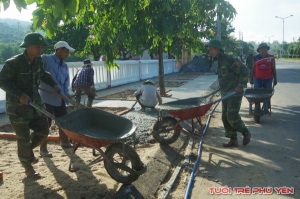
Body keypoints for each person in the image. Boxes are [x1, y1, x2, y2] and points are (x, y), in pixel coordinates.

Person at [0, 33, 61, 177]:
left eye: (41, 46)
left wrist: (54, 84)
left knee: (43, 131)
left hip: (35, 104)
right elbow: (2, 81)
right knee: (23, 137)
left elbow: (44, 74)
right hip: (18, 108)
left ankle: (26, 151)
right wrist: (19, 94)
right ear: (27, 46)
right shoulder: (13, 63)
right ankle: (28, 168)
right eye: (37, 46)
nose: (40, 49)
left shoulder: (38, 61)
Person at [206, 39, 251, 147]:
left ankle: (245, 132)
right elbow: (224, 77)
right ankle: (233, 140)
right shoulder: (219, 61)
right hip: (225, 93)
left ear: (218, 49)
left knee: (231, 116)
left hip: (234, 93)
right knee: (225, 118)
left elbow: (245, 71)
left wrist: (240, 86)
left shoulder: (230, 60)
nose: (210, 52)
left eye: (211, 49)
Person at [39, 41, 75, 157]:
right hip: (46, 97)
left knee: (63, 121)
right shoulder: (46, 59)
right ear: (59, 50)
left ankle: (64, 142)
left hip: (60, 99)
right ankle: (43, 148)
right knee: (46, 123)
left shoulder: (64, 65)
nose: (67, 54)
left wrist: (66, 93)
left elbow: (65, 82)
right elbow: (37, 70)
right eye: (66, 51)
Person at [250, 43, 277, 114]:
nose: (263, 50)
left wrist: (275, 79)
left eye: (265, 48)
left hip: (268, 79)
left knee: (267, 94)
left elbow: (273, 68)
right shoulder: (255, 58)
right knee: (257, 94)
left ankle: (265, 107)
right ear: (259, 50)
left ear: (267, 49)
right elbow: (253, 69)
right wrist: (251, 78)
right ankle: (257, 106)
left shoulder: (271, 57)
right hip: (257, 79)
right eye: (261, 48)